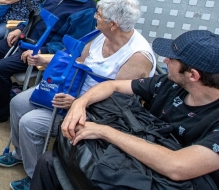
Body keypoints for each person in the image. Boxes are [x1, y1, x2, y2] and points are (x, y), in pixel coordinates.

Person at [0, 0, 156, 190]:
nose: (95, 17)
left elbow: (119, 101)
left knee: (30, 123)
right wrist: (44, 60)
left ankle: (35, 175)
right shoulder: (100, 35)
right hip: (71, 89)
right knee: (18, 103)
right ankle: (20, 154)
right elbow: (75, 59)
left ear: (114, 24)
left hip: (95, 112)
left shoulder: (137, 56)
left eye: (98, 14)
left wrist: (77, 102)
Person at [32, 30, 219, 190]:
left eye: (172, 59)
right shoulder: (169, 84)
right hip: (135, 166)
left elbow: (177, 166)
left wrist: (104, 131)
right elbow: (112, 86)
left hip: (165, 181)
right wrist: (80, 103)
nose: (165, 60)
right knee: (48, 163)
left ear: (192, 75)